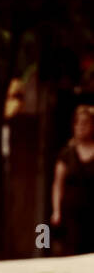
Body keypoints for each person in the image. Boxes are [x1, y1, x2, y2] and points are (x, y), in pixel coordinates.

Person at [52, 104, 94, 256]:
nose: (81, 127)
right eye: (78, 123)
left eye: (86, 123)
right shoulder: (67, 153)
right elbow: (58, 184)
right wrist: (56, 211)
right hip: (72, 214)